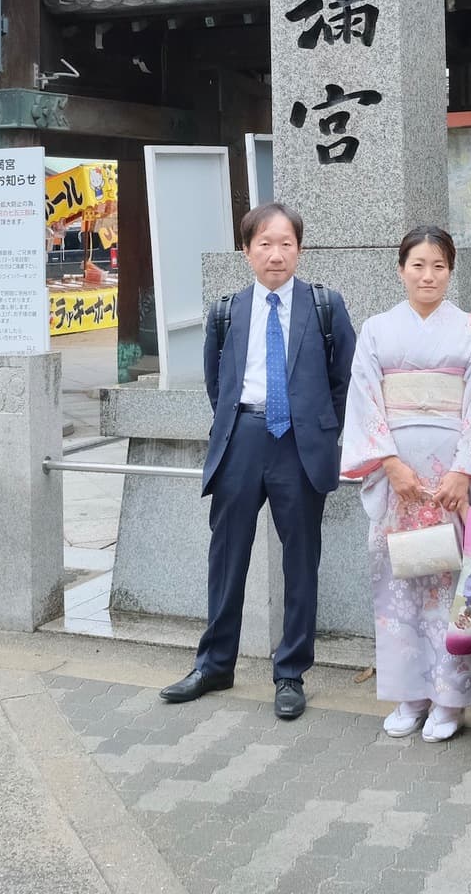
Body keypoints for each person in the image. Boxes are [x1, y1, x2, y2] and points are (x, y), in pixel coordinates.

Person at [159, 202, 356, 721]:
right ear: (246, 251)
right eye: (264, 244)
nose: (276, 254)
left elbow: (343, 381)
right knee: (227, 556)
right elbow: (214, 382)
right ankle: (214, 664)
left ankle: (290, 672)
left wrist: (318, 430)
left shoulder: (325, 307)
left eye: (286, 243)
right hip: (242, 438)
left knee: (300, 561)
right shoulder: (228, 310)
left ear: (300, 249)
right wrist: (241, 420)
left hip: (300, 444)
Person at [341, 225, 471, 744]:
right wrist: (389, 465)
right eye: (418, 264)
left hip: (450, 480)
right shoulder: (375, 330)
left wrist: (463, 471)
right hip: (398, 480)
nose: (428, 275)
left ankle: (450, 699)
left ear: (450, 270)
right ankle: (409, 693)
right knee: (397, 587)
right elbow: (365, 399)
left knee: (452, 585)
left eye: (438, 265)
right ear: (400, 269)